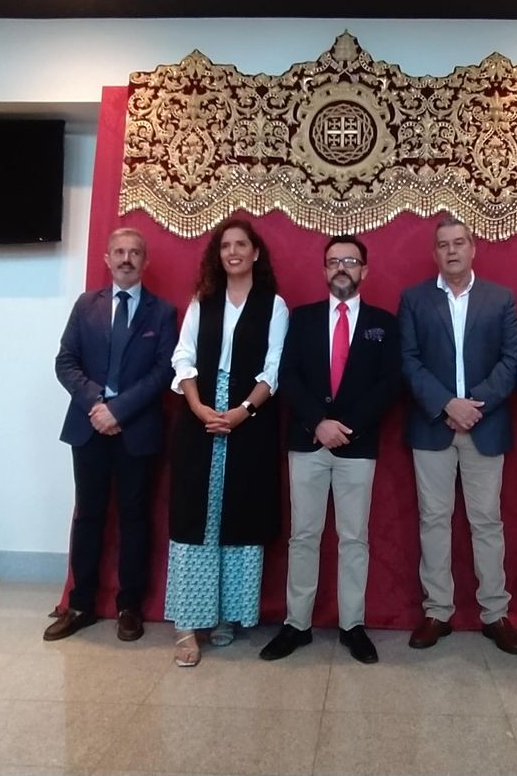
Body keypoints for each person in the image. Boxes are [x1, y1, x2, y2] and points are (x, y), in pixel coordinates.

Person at [260, 235, 400, 665]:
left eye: (351, 261)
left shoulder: (385, 322)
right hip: (308, 440)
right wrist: (317, 424)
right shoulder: (301, 320)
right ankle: (297, 624)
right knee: (303, 536)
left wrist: (347, 427)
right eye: (334, 261)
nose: (342, 267)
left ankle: (351, 625)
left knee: (354, 537)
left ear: (364, 271)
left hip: (357, 447)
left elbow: (390, 383)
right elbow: (288, 374)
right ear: (324, 270)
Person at [397, 214, 517, 655]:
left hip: (484, 425)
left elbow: (511, 361)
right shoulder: (414, 300)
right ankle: (438, 611)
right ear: (434, 253)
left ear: (474, 248)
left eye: (459, 242)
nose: (452, 250)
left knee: (486, 521)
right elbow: (409, 361)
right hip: (432, 425)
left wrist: (472, 406)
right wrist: (446, 405)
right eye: (443, 245)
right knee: (433, 520)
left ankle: (495, 613)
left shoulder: (501, 299)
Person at [164, 217, 289, 666]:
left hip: (248, 423)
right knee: (194, 517)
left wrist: (242, 413)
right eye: (225, 246)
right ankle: (186, 625)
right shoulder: (203, 301)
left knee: (239, 514)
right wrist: (198, 408)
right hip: (199, 418)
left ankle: (224, 615)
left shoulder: (274, 306)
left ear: (256, 253)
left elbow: (273, 369)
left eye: (241, 245)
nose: (233, 252)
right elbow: (184, 355)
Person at [47, 227, 178, 642]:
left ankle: (129, 607)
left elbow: (165, 371)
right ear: (106, 259)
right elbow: (65, 362)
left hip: (136, 430)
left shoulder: (163, 312)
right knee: (88, 515)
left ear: (145, 261)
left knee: (135, 518)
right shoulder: (86, 306)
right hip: (88, 428)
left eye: (134, 252)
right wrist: (97, 405)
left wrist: (119, 410)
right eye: (118, 251)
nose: (126, 258)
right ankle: (81, 603)